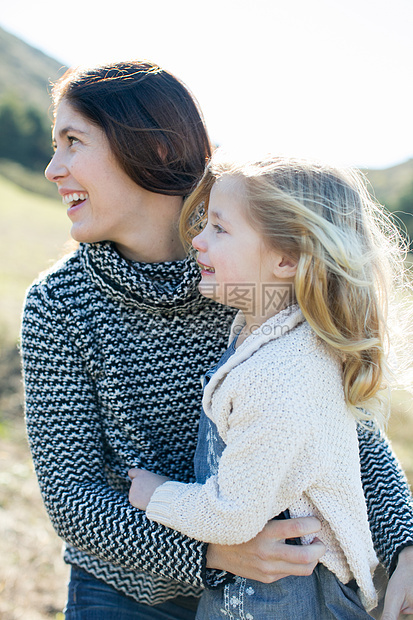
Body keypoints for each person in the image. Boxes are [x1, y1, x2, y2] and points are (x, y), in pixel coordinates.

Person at [20, 60, 413, 620]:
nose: (52, 168)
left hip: (271, 595)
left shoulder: (245, 272)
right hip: (125, 595)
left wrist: (407, 546)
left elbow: (342, 431)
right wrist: (213, 552)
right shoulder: (59, 303)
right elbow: (72, 498)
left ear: (151, 149)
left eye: (72, 141)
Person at [128, 151, 413, 618]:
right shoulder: (266, 332)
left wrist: (154, 494)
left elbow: (232, 513)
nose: (197, 240)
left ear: (286, 258)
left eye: (219, 228)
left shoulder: (283, 373)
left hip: (290, 597)